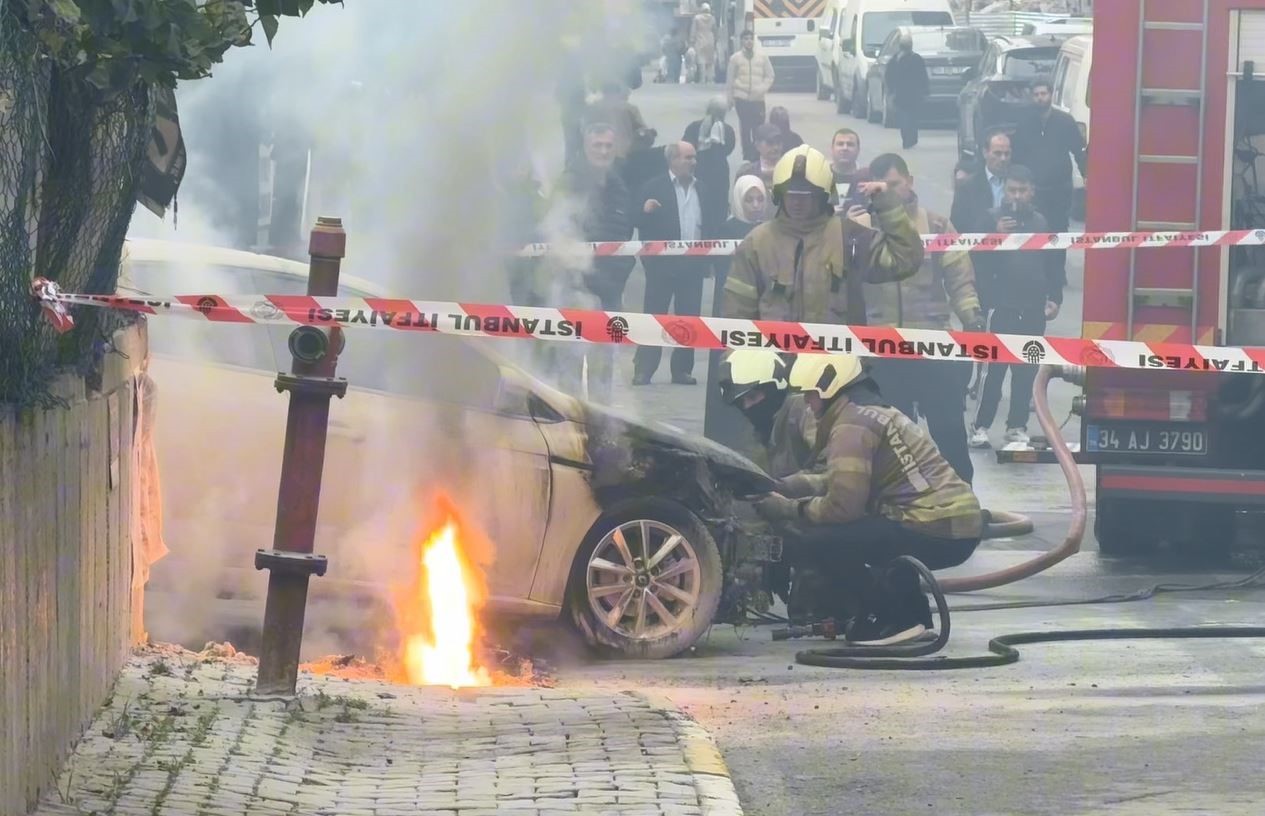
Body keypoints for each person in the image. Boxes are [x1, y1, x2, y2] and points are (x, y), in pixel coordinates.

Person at [752, 354, 983, 645]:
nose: (807, 403)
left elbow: (843, 507)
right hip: (948, 523)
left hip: (935, 526)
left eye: (810, 394)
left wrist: (787, 509)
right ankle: (913, 618)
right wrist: (784, 486)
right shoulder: (866, 411)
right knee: (877, 532)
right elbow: (844, 478)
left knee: (817, 541)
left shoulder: (852, 425)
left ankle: (888, 617)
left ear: (829, 389)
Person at [855, 153, 985, 484]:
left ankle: (963, 499)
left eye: (894, 185)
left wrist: (972, 319)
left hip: (933, 348)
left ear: (910, 181)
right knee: (886, 439)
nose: (889, 192)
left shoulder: (936, 225)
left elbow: (959, 277)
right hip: (881, 352)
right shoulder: (861, 229)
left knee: (949, 430)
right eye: (881, 186)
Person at [722, 145, 924, 326]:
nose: (797, 202)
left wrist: (886, 202)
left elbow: (904, 260)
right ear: (779, 195)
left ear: (822, 196)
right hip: (774, 362)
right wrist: (734, 361)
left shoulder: (848, 236)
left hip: (838, 363)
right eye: (790, 194)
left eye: (806, 195)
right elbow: (737, 312)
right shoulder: (757, 242)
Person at [968, 165, 1065, 448]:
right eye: (1012, 190)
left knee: (1026, 370)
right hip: (1000, 306)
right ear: (1004, 191)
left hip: (1033, 308)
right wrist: (993, 236)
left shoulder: (1041, 222)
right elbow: (975, 259)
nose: (1017, 196)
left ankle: (1017, 426)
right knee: (992, 372)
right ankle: (980, 426)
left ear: (1031, 192)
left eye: (1023, 190)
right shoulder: (988, 219)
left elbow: (1052, 263)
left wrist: (1054, 297)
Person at [553, 123, 636, 402]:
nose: (603, 151)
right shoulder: (570, 184)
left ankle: (602, 428)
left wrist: (616, 280)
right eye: (597, 146)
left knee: (603, 370)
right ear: (585, 147)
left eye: (607, 146)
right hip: (576, 294)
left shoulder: (619, 185)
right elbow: (561, 239)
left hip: (611, 293)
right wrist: (587, 283)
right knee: (570, 375)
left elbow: (625, 235)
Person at [632, 142, 715, 385]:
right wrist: (645, 211)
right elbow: (634, 220)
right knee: (653, 316)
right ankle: (644, 368)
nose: (693, 162)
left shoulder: (703, 189)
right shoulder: (653, 187)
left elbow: (710, 222)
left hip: (693, 265)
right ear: (673, 160)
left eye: (694, 158)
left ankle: (682, 369)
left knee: (688, 318)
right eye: (688, 157)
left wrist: (707, 259)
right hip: (662, 267)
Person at [1011, 76, 1088, 285]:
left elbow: (1078, 151)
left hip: (1059, 188)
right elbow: (1016, 154)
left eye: (1043, 94)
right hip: (1033, 189)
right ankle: (1037, 271)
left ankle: (1057, 272)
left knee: (1058, 229)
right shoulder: (1024, 122)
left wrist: (1087, 175)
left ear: (1051, 95)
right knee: (1033, 229)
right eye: (1036, 95)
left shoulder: (1065, 121)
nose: (1039, 98)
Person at [716, 349, 818, 479]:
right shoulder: (759, 432)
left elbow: (829, 469)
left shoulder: (802, 411)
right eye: (742, 402)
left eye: (752, 397)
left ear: (772, 390)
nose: (747, 407)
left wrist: (784, 487)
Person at [683, 97, 737, 228]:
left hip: (698, 169)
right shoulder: (727, 130)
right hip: (720, 172)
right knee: (719, 205)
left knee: (699, 204)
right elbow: (729, 148)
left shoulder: (694, 127)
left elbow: (686, 146)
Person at [726, 30, 775, 161]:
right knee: (745, 127)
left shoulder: (762, 57)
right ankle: (747, 153)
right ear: (741, 41)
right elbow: (730, 79)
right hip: (741, 97)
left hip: (758, 99)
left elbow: (770, 76)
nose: (749, 41)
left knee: (758, 127)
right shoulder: (735, 58)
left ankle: (757, 152)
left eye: (751, 39)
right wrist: (730, 98)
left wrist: (761, 89)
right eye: (746, 39)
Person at [583, 82, 648, 164]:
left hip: (598, 152)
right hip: (624, 153)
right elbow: (643, 131)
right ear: (618, 93)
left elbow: (584, 130)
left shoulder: (593, 108)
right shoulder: (630, 108)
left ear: (603, 92)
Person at [884, 33, 929, 150]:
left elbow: (889, 76)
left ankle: (907, 139)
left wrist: (890, 91)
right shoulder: (915, 58)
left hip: (901, 94)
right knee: (912, 117)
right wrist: (925, 91)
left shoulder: (895, 60)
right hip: (913, 94)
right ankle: (911, 139)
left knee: (905, 117)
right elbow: (923, 76)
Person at [829, 128, 871, 214]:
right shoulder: (820, 176)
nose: (845, 148)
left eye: (850, 144)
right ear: (832, 148)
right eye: (840, 144)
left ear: (858, 149)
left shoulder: (868, 178)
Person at [735, 123, 784, 192]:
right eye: (770, 143)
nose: (776, 147)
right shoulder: (746, 173)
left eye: (778, 143)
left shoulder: (792, 171)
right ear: (757, 145)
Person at [691, 3, 719, 84]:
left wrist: (692, 41)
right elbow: (715, 31)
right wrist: (716, 40)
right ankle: (710, 79)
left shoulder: (696, 18)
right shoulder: (712, 18)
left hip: (700, 41)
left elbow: (693, 30)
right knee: (710, 61)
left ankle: (702, 79)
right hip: (710, 41)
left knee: (701, 61)